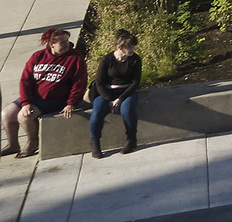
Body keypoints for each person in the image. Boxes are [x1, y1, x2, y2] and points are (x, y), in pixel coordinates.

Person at [2, 27, 88, 158]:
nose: (66, 45)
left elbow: (79, 83)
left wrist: (71, 103)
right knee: (6, 114)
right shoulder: (38, 56)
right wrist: (26, 102)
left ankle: (32, 143)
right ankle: (13, 145)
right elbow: (25, 81)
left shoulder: (75, 57)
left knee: (24, 117)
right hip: (33, 97)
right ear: (51, 44)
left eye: (66, 41)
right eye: (62, 42)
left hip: (56, 99)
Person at [88, 30, 142, 158]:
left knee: (127, 110)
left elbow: (135, 82)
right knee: (97, 111)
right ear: (119, 47)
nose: (132, 49)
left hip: (126, 91)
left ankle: (131, 139)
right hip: (107, 92)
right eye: (129, 47)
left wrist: (120, 98)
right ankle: (95, 142)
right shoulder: (107, 60)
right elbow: (99, 83)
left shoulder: (135, 60)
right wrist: (110, 99)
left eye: (133, 46)